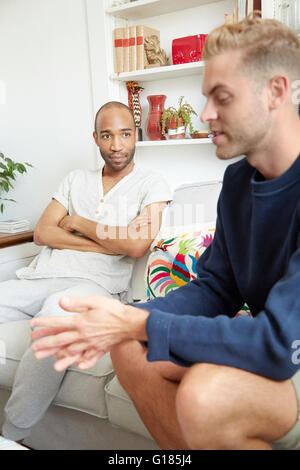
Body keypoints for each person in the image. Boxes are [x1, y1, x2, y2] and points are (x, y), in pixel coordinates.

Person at [30, 16, 300, 450]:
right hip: (277, 344)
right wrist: (130, 319)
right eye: (206, 97)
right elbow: (217, 286)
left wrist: (137, 320)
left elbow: (279, 340)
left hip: (289, 348)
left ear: (277, 91)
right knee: (128, 348)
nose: (206, 114)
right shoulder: (237, 183)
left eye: (222, 97)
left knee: (204, 394)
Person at [0, 101, 172, 442]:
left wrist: (78, 223)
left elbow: (137, 245)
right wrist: (109, 242)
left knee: (56, 312)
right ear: (95, 138)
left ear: (135, 134)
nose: (117, 145)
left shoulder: (151, 183)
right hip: (38, 276)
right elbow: (42, 233)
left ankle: (12, 436)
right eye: (107, 135)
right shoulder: (75, 179)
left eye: (124, 134)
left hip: (95, 286)